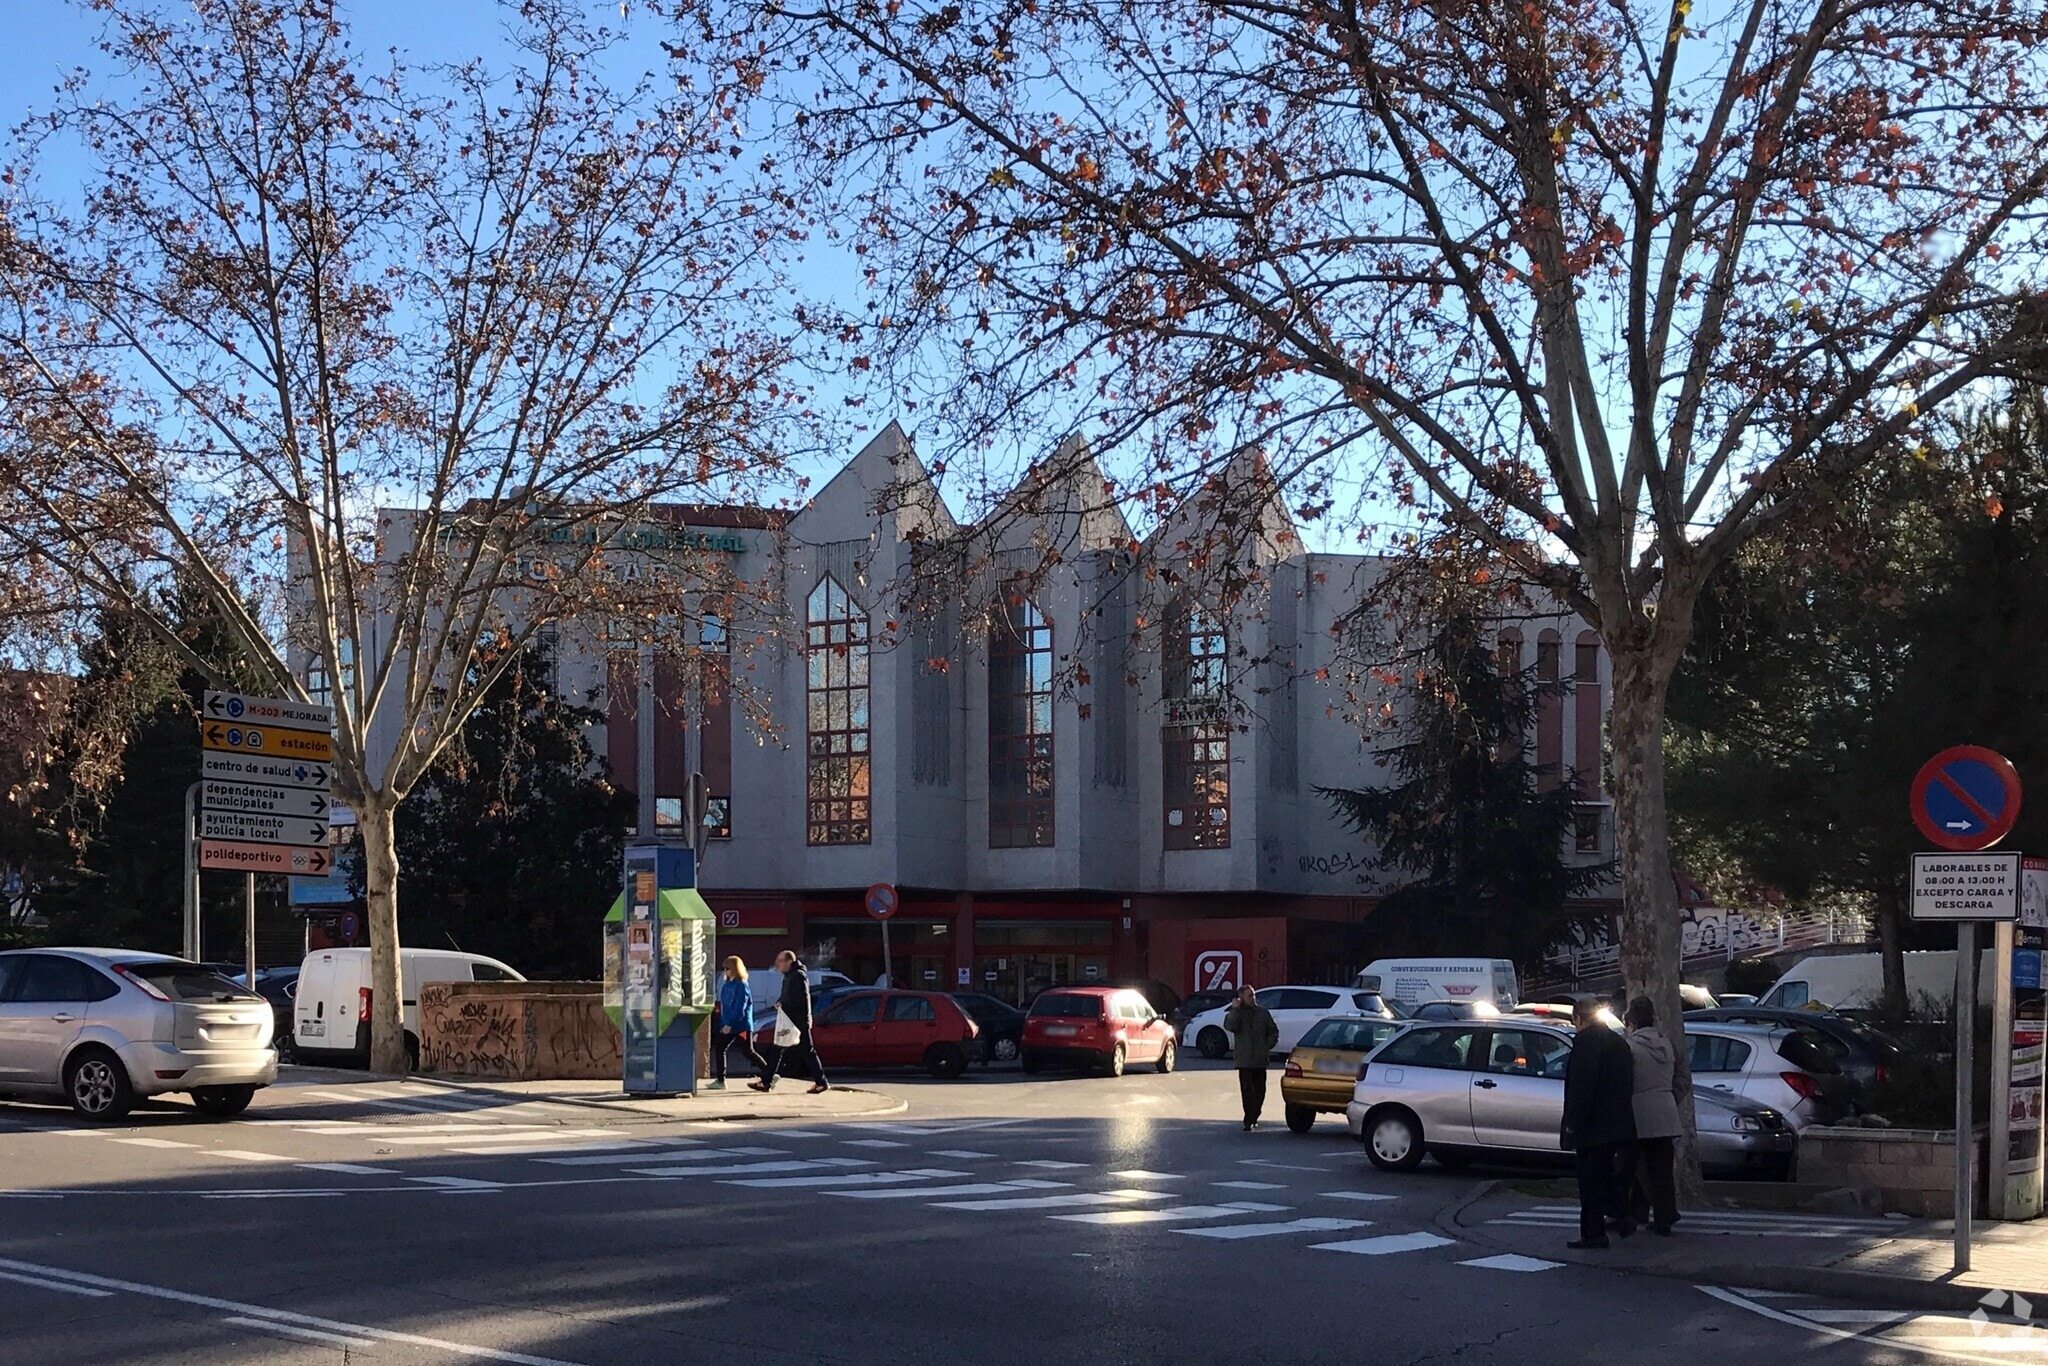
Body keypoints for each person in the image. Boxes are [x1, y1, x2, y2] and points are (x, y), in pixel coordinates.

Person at [1561, 996, 1636, 1248]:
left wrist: (1572, 1122)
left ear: (1579, 1018)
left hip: (1593, 1125)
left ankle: (1594, 1233)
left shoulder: (1585, 1044)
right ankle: (1621, 1214)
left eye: (1575, 1022)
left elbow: (1581, 1089)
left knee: (1590, 1181)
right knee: (1606, 1174)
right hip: (1619, 1122)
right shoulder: (1619, 1043)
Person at [1619, 995, 1682, 1236]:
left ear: (1630, 1022)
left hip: (1639, 1113)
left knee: (1629, 1166)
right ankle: (1662, 1215)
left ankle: (1627, 1213)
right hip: (1666, 1111)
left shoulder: (1630, 1047)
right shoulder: (1666, 1044)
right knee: (1661, 1169)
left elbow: (1627, 1081)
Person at [751, 951, 829, 1094]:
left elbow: (800, 999)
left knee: (806, 1050)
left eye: (780, 961)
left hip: (797, 1020)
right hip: (791, 1019)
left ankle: (821, 1082)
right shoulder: (790, 976)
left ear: (788, 962)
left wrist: (784, 1005)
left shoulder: (798, 976)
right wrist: (780, 1002)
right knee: (778, 1049)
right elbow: (787, 996)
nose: (777, 964)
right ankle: (766, 1081)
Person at [1223, 985, 1279, 1131]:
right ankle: (1249, 1119)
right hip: (1245, 1060)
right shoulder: (1237, 1014)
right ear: (1241, 997)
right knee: (1247, 1091)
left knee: (1260, 1091)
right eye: (1249, 996)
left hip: (1260, 1060)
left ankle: (1255, 1114)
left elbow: (1273, 1031)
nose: (1253, 998)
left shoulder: (1263, 1013)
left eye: (1253, 995)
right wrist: (1235, 1009)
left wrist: (1266, 1046)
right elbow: (1230, 1026)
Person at [709, 957, 763, 1092]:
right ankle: (721, 1080)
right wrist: (723, 1023)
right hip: (729, 1024)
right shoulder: (727, 985)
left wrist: (730, 1024)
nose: (725, 972)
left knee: (748, 1051)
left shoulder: (741, 985)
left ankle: (770, 1074)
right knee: (722, 1048)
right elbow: (725, 1006)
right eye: (724, 969)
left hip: (741, 1025)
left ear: (734, 969)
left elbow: (740, 1007)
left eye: (727, 969)